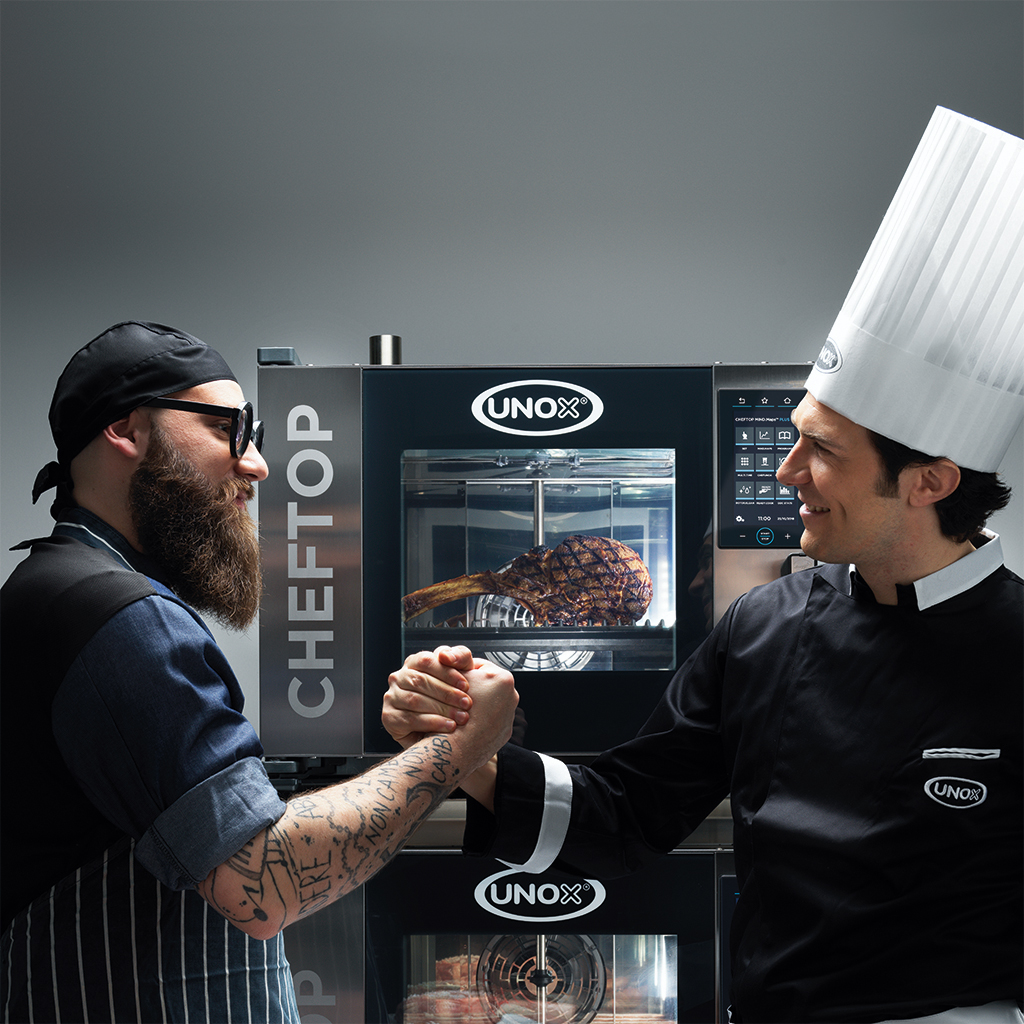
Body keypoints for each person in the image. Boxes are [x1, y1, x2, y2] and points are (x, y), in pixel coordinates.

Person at [383, 107, 1024, 1023]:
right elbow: (626, 811)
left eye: (823, 452)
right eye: (794, 439)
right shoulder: (763, 628)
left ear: (929, 482)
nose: (785, 472)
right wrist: (473, 753)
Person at [0, 320, 518, 1023]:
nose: (257, 465)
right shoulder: (114, 615)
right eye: (225, 430)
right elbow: (260, 884)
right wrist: (457, 748)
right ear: (126, 429)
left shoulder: (56, 590)